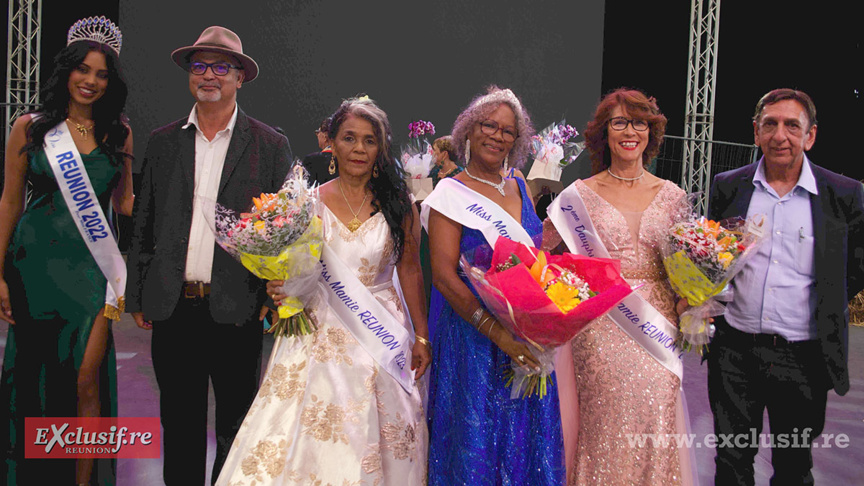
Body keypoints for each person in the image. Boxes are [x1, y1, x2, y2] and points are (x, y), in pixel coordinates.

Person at [216, 96, 431, 485]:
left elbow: (411, 271)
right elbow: (289, 266)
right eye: (349, 138)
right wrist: (280, 283)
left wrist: (421, 334)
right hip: (316, 330)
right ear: (331, 142)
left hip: (379, 331)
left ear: (381, 148)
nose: (359, 149)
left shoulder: (400, 205)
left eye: (369, 140)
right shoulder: (303, 203)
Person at [125, 26, 292, 485]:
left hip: (237, 309)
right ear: (189, 75)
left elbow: (280, 232)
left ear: (241, 78)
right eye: (200, 65)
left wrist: (271, 297)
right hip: (173, 306)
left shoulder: (270, 145)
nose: (209, 75)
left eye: (222, 66)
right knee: (178, 425)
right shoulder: (162, 142)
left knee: (236, 426)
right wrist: (137, 295)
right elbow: (144, 222)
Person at [706, 88, 864, 485]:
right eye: (770, 124)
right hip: (734, 354)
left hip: (804, 359)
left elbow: (856, 266)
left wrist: (825, 303)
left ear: (810, 136)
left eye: (792, 126)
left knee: (793, 469)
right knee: (731, 464)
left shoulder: (843, 194)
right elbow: (708, 258)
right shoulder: (728, 187)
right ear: (755, 132)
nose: (780, 135)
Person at [0, 16, 133, 485]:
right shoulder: (30, 128)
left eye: (101, 73)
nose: (91, 81)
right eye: (84, 69)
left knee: (84, 377)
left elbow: (129, 205)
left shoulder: (119, 135)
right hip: (33, 266)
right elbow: (10, 201)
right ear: (67, 71)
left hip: (91, 272)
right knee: (33, 377)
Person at [542, 88, 695, 485]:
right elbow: (543, 259)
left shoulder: (674, 196)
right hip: (601, 326)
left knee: (655, 420)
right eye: (619, 122)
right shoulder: (578, 196)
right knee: (605, 422)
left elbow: (684, 274)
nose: (630, 131)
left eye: (639, 122)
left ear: (651, 131)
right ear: (604, 133)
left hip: (656, 327)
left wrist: (695, 306)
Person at [423, 86, 564, 485]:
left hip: (527, 338)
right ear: (468, 130)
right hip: (475, 341)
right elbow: (444, 278)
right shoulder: (451, 192)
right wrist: (500, 334)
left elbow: (535, 260)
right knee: (477, 440)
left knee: (525, 442)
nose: (497, 136)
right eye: (489, 125)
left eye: (507, 131)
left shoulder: (520, 185)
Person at [302, 116, 337, 186]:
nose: (317, 135)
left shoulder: (311, 160)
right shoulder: (346, 160)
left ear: (325, 136)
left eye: (318, 132)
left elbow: (304, 189)